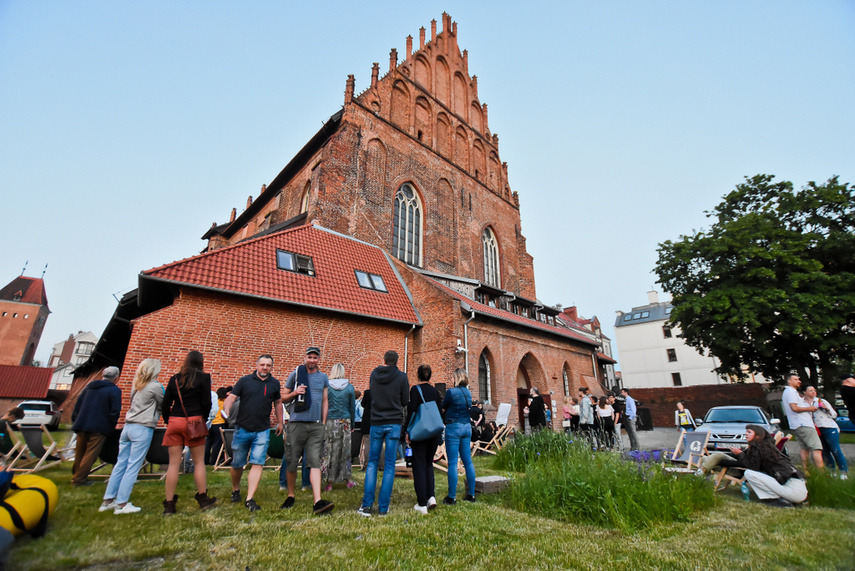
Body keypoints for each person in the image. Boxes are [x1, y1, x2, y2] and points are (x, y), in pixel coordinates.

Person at [99, 359, 164, 514]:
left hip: (128, 427)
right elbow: (163, 403)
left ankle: (108, 501)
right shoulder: (155, 386)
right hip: (142, 428)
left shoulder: (136, 386)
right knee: (133, 466)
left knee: (120, 464)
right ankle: (122, 504)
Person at [223, 354, 283, 512]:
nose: (265, 368)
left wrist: (280, 422)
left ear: (272, 367)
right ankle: (235, 490)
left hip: (262, 430)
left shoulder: (274, 384)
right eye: (262, 364)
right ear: (257, 365)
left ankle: (250, 498)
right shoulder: (244, 381)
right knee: (237, 464)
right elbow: (231, 397)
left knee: (258, 462)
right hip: (242, 428)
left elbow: (277, 403)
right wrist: (227, 409)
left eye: (268, 365)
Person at [697, 424, 806, 507]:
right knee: (710, 457)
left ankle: (775, 500)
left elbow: (752, 466)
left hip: (793, 490)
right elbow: (746, 460)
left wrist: (739, 454)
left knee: (748, 472)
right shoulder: (759, 447)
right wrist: (738, 454)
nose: (746, 434)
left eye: (749, 432)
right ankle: (699, 476)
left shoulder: (761, 449)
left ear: (758, 436)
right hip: (797, 489)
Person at [162, 351, 217, 514]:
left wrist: (168, 420)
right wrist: (203, 419)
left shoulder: (174, 379)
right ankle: (203, 498)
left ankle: (170, 504)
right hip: (195, 420)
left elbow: (165, 404)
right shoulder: (204, 378)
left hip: (175, 421)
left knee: (173, 464)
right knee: (199, 462)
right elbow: (207, 402)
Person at [281, 347, 333, 515]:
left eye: (315, 358)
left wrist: (323, 422)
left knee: (314, 462)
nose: (312, 360)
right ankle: (290, 494)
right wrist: (295, 393)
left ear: (319, 359)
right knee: (292, 460)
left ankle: (317, 501)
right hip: (296, 423)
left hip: (316, 425)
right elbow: (282, 397)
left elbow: (325, 400)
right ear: (305, 358)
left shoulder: (323, 377)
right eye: (309, 357)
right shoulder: (296, 374)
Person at [358, 350, 409, 517]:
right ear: (397, 361)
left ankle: (366, 506)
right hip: (394, 422)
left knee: (372, 463)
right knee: (389, 465)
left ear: (384, 360)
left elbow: (371, 393)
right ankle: (383, 507)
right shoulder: (402, 377)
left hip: (377, 422)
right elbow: (405, 401)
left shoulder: (374, 374)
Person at [71, 366, 122, 487]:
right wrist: (111, 425)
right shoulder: (114, 390)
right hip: (99, 426)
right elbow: (115, 411)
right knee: (91, 454)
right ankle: (79, 479)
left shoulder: (89, 387)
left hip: (82, 424)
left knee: (80, 453)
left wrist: (76, 420)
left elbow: (77, 406)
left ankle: (76, 475)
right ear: (116, 378)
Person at [406, 364, 442, 514]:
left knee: (419, 466)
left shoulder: (415, 390)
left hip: (420, 433)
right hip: (434, 432)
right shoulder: (435, 391)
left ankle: (421, 504)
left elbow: (412, 410)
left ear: (418, 375)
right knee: (428, 464)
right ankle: (431, 497)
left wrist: (407, 430)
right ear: (430, 376)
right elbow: (439, 412)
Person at [442, 368, 477, 505]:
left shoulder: (451, 392)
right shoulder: (468, 393)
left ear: (457, 378)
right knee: (467, 461)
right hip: (466, 427)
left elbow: (443, 407)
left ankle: (452, 497)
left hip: (454, 427)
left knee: (452, 462)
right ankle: (471, 494)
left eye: (452, 377)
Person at [322, 363, 356, 491]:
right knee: (345, 450)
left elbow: (323, 404)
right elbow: (352, 407)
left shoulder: (327, 387)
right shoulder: (349, 387)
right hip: (345, 421)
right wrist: (352, 423)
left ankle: (329, 481)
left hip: (330, 420)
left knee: (329, 450)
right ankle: (347, 479)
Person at [781, 373, 824, 472]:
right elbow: (794, 408)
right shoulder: (791, 392)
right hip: (803, 424)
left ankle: (806, 471)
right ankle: (822, 473)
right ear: (789, 381)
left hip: (797, 424)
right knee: (816, 448)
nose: (799, 381)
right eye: (796, 379)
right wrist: (810, 408)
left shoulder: (789, 392)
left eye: (798, 379)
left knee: (804, 448)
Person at [804, 386, 847, 478]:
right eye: (810, 390)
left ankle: (843, 472)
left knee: (835, 450)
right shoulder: (802, 403)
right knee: (824, 452)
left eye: (814, 390)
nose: (813, 392)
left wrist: (826, 408)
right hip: (815, 429)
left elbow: (834, 414)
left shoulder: (821, 401)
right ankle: (832, 472)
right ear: (804, 392)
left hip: (829, 427)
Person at [205, 386, 230, 465]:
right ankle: (214, 461)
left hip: (211, 423)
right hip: (219, 424)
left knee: (208, 443)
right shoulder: (224, 402)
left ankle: (205, 461)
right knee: (217, 444)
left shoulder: (213, 401)